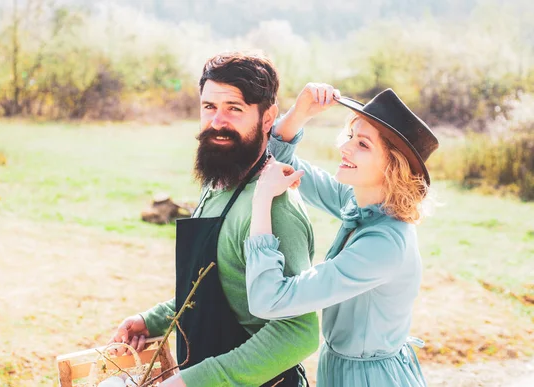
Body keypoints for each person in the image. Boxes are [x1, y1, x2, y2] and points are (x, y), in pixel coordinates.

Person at [108, 53, 319, 387]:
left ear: (268, 118)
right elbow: (217, 288)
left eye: (234, 108)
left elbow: (299, 332)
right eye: (209, 107)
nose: (218, 121)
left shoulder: (275, 206)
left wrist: (194, 382)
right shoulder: (215, 185)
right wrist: (154, 320)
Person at [244, 83, 439, 386]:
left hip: (370, 379)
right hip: (339, 367)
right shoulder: (360, 202)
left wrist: (261, 202)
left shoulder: (383, 245)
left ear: (393, 166)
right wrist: (301, 112)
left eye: (363, 144)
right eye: (350, 136)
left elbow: (269, 300)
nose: (344, 147)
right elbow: (277, 162)